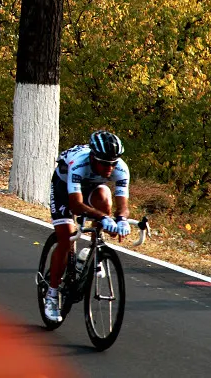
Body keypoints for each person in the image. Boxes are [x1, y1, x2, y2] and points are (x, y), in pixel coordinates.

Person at [43, 130, 130, 323]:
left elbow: (122, 203)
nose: (110, 168)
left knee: (105, 198)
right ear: (93, 157)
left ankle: (92, 252)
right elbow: (75, 205)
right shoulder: (79, 164)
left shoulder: (120, 168)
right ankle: (51, 293)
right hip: (65, 189)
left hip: (90, 187)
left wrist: (121, 218)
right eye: (105, 163)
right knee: (67, 237)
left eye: (113, 164)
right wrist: (103, 218)